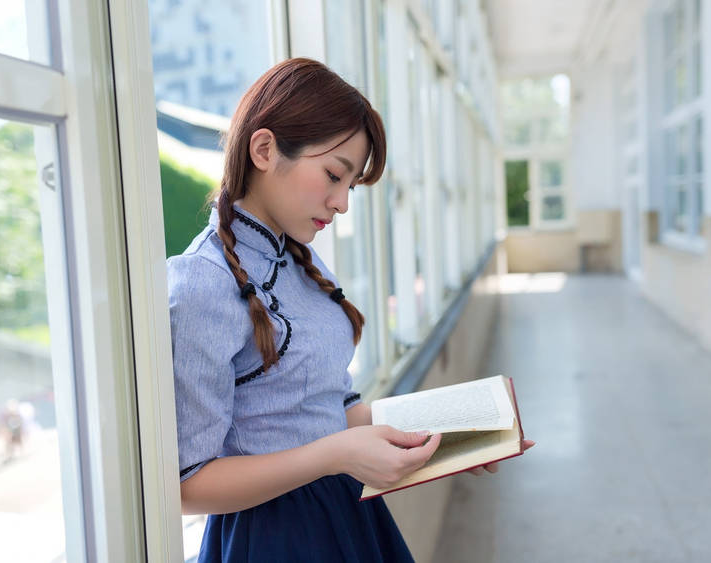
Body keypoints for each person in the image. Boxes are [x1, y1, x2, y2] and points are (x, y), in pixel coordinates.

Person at [169, 58, 530, 562]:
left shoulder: (303, 258)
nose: (341, 204)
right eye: (334, 176)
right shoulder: (201, 283)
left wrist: (442, 443)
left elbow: (335, 409)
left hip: (344, 512)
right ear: (265, 149)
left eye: (350, 186)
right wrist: (334, 455)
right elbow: (188, 484)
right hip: (273, 539)